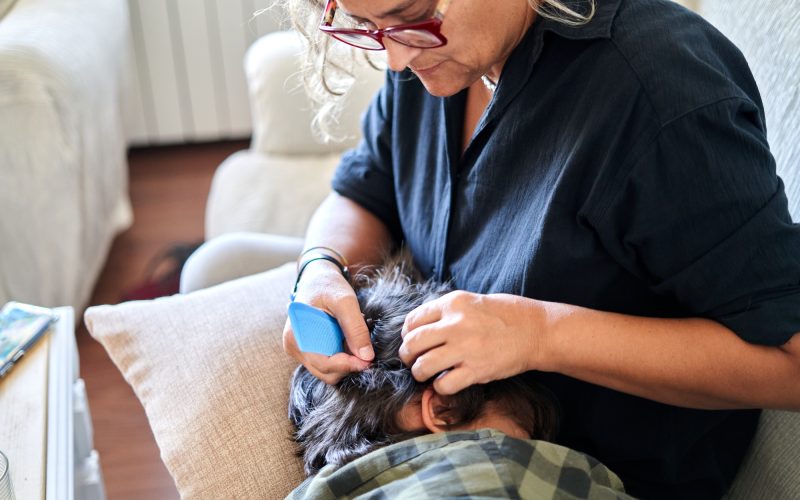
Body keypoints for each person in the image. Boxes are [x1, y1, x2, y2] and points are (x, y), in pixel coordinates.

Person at [184, 0, 800, 497]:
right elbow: (363, 190)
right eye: (366, 27)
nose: (395, 60)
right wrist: (320, 268)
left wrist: (540, 334)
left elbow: (791, 362)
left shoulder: (658, 93)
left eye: (410, 15)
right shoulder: (438, 63)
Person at [287, 257, 632, 498]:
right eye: (525, 443)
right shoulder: (496, 472)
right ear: (444, 408)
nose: (539, 453)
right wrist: (320, 266)